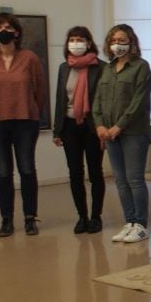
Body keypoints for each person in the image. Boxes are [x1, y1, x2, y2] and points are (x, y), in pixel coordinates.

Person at [0, 14, 48, 237]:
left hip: (25, 121)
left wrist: (32, 111)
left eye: (8, 27)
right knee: (3, 171)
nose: (4, 30)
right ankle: (6, 219)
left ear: (16, 32)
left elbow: (39, 89)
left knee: (26, 168)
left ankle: (30, 217)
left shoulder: (29, 58)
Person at [92, 24, 151, 244]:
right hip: (109, 134)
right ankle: (129, 221)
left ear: (132, 42)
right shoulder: (108, 69)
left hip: (133, 132)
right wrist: (99, 125)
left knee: (135, 178)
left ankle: (141, 224)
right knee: (120, 180)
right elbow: (97, 99)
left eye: (123, 39)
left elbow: (138, 102)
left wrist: (119, 126)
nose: (118, 44)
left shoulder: (141, 67)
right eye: (114, 40)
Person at [52, 26, 106, 234]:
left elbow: (104, 101)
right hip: (69, 126)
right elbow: (60, 99)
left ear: (89, 43)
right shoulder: (64, 67)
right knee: (75, 172)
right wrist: (57, 130)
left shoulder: (101, 67)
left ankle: (96, 216)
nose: (76, 43)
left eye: (80, 39)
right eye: (72, 39)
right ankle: (81, 216)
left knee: (95, 172)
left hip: (92, 126)